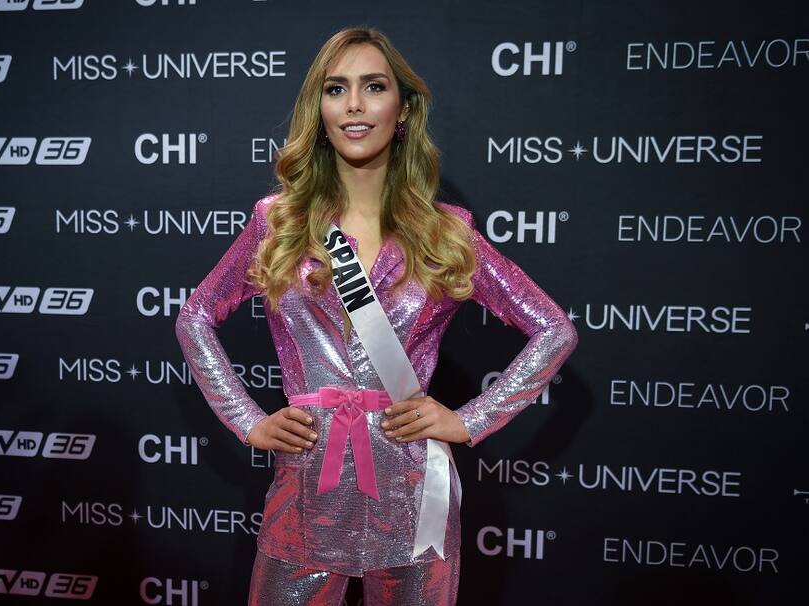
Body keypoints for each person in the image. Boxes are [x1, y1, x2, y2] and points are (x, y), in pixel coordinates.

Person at [175, 26, 578, 606]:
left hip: (413, 491)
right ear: (320, 108)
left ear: (404, 108)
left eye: (374, 86)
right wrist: (247, 420)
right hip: (308, 487)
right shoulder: (279, 222)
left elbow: (553, 330)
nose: (355, 105)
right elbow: (195, 318)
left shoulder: (445, 232)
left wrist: (471, 420)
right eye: (336, 89)